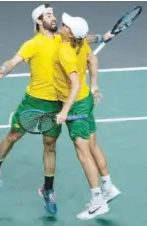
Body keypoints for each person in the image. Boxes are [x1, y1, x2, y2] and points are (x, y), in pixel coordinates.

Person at [0, 4, 112, 216]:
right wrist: (5, 69)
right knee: (13, 136)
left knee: (50, 145)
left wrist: (102, 37)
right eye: (48, 15)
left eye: (53, 14)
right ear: (38, 21)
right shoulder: (32, 44)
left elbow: (83, 38)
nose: (53, 18)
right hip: (34, 101)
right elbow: (15, 60)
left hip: (57, 104)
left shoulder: (63, 38)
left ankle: (48, 190)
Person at [52, 12, 113, 220]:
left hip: (76, 104)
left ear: (70, 34)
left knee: (83, 152)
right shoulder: (79, 42)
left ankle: (97, 201)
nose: (61, 25)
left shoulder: (64, 51)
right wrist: (94, 86)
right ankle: (108, 186)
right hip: (86, 99)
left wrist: (64, 111)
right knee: (93, 145)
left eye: (64, 25)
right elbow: (92, 58)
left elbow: (76, 84)